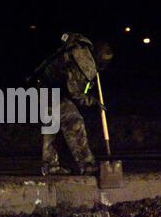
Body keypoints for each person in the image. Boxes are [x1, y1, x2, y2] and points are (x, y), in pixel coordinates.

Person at [31, 33, 113, 175]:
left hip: (44, 84)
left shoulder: (81, 47)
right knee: (73, 121)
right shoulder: (84, 65)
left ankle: (50, 166)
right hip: (50, 90)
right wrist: (93, 102)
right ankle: (87, 165)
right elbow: (76, 94)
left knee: (53, 127)